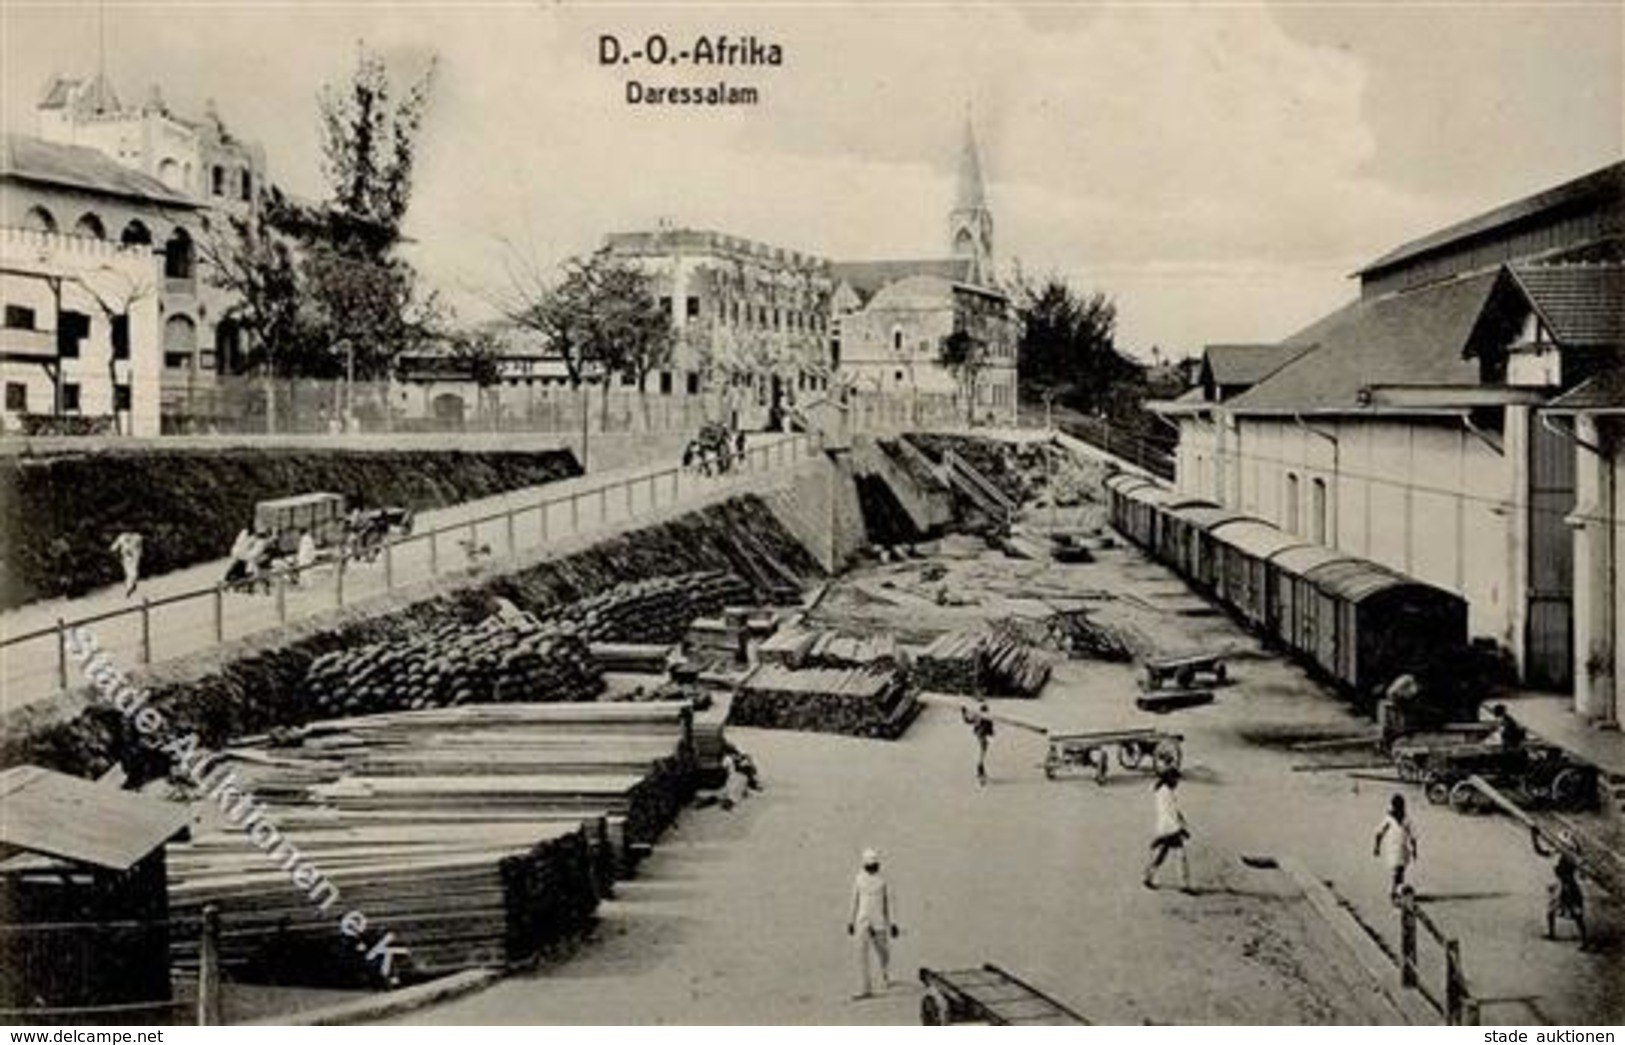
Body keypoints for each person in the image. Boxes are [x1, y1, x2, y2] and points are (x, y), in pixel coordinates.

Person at [847, 848, 899, 999]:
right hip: (862, 920)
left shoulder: (883, 880)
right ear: (864, 865)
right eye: (869, 865)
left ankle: (885, 976)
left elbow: (890, 902)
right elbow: (854, 901)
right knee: (861, 955)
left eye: (874, 865)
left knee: (883, 952)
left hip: (879, 921)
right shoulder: (858, 879)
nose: (872, 868)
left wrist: (893, 923)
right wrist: (850, 921)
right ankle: (865, 988)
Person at [1143, 769, 1191, 891]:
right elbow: (1169, 813)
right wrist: (1180, 829)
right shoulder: (1166, 793)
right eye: (1176, 780)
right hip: (1169, 828)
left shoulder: (1163, 791)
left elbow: (1173, 810)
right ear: (1170, 779)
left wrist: (1180, 819)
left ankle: (1148, 876)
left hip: (1165, 827)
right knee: (1180, 855)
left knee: (1162, 854)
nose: (1177, 783)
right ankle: (1184, 884)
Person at [1372, 794, 1419, 903]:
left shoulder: (1407, 820)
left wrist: (1414, 850)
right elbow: (1379, 833)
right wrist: (1377, 847)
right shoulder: (1389, 819)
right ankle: (1394, 891)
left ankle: (1398, 890)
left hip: (1402, 848)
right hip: (1392, 848)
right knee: (1397, 871)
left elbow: (1412, 836)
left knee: (1400, 871)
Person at [962, 700, 996, 785]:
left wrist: (964, 713)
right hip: (981, 735)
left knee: (983, 751)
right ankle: (980, 770)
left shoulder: (987, 719)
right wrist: (964, 712)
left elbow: (991, 729)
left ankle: (981, 769)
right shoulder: (979, 717)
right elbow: (968, 721)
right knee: (982, 751)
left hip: (982, 735)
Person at [109, 530, 144, 597]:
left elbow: (140, 547)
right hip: (126, 558)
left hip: (134, 558)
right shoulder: (122, 537)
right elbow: (115, 546)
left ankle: (131, 587)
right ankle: (129, 587)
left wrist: (139, 554)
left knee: (133, 573)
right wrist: (113, 550)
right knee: (128, 573)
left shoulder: (137, 537)